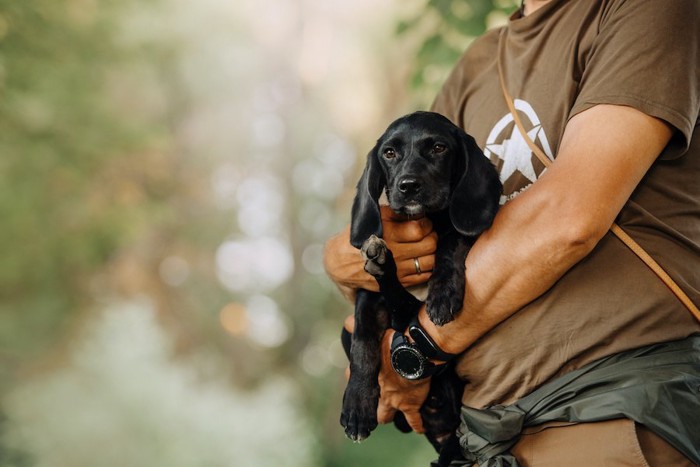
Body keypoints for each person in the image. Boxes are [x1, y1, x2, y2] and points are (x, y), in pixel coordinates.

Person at [324, 0, 700, 464]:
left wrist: (415, 353)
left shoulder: (645, 9)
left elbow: (568, 217)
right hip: (479, 435)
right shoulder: (478, 61)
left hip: (605, 406)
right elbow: (409, 227)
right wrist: (342, 261)